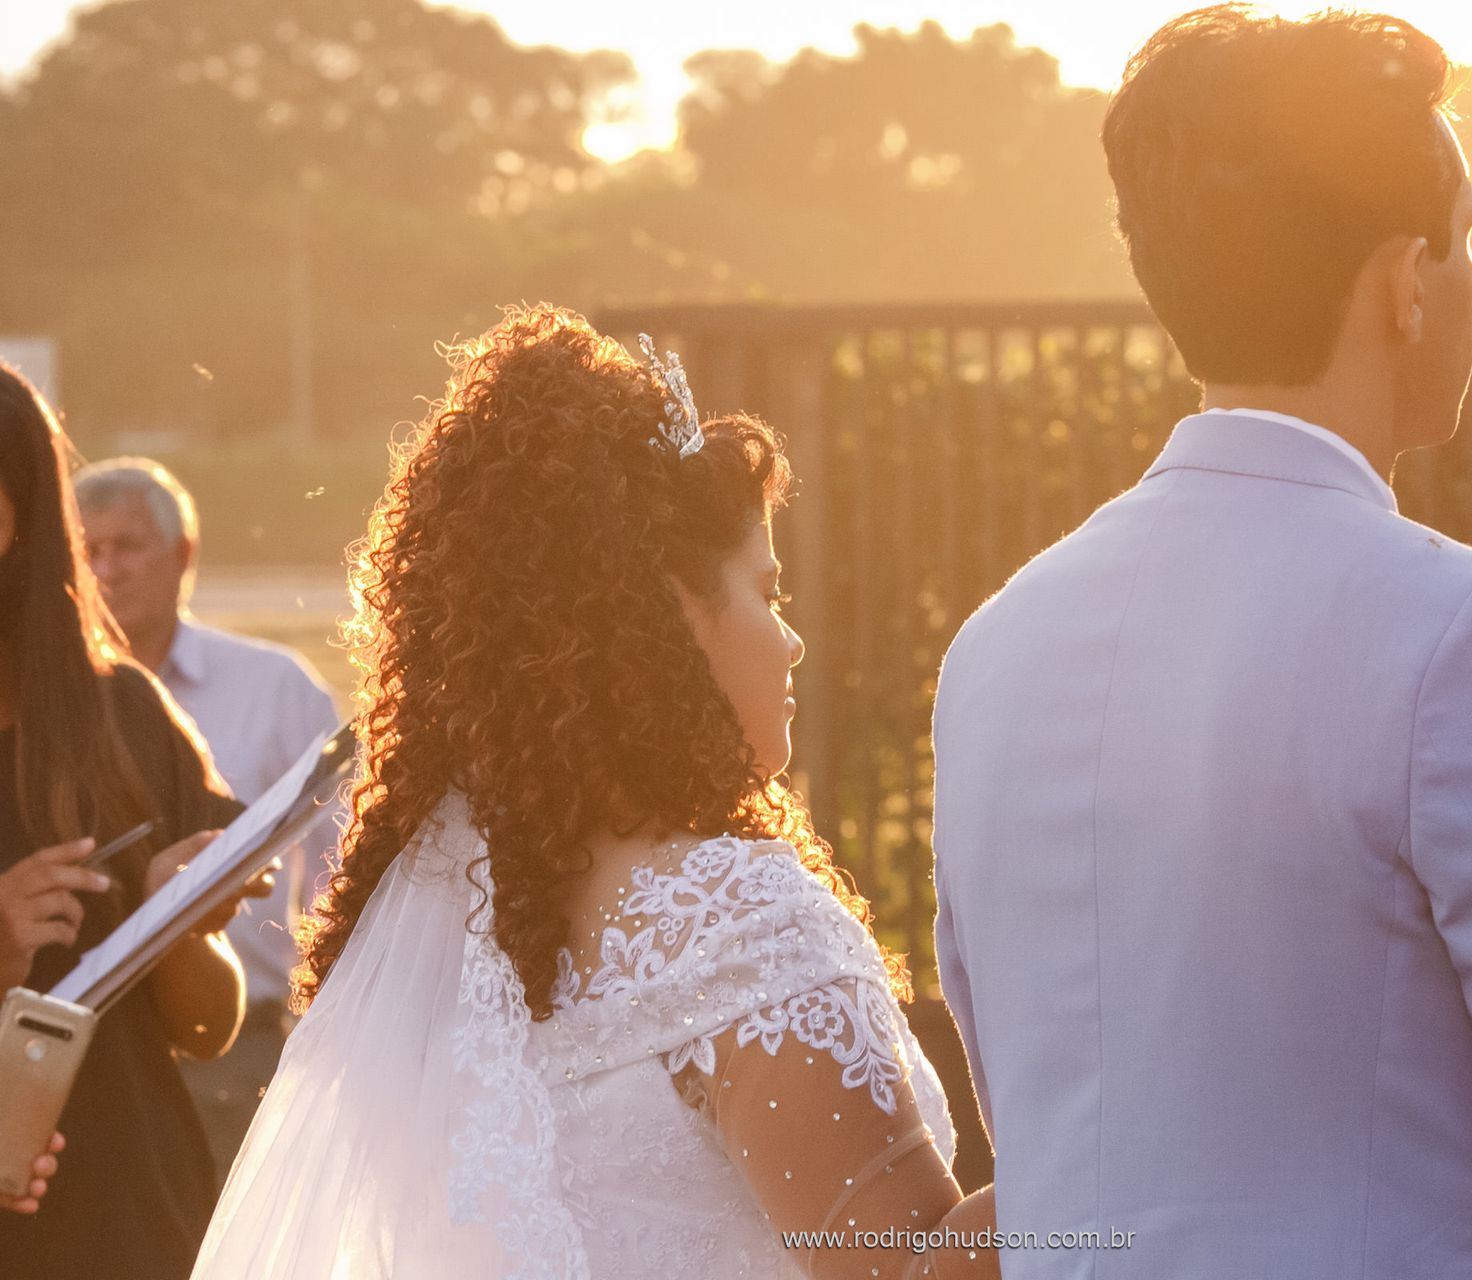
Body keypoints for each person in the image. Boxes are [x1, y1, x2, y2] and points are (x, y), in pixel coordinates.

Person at [929, 10, 1472, 1279]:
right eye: (1468, 236)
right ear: (1405, 283)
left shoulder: (995, 648)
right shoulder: (1471, 632)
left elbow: (1047, 1113)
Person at [193, 306, 998, 1279]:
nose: (789, 638)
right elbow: (905, 1271)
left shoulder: (446, 904)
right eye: (767, 589)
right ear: (663, 617)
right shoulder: (737, 918)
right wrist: (1118, 1152)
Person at [0, 361, 270, 1278]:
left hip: (129, 1217)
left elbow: (207, 1028)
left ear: (24, 517)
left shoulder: (119, 714)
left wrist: (175, 925)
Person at [74, 456, 339, 1171]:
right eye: (88, 551)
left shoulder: (275, 686)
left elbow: (341, 858)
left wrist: (323, 1003)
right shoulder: (46, 708)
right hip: (89, 1057)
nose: (107, 569)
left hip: (241, 1048)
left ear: (183, 554)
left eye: (127, 546)